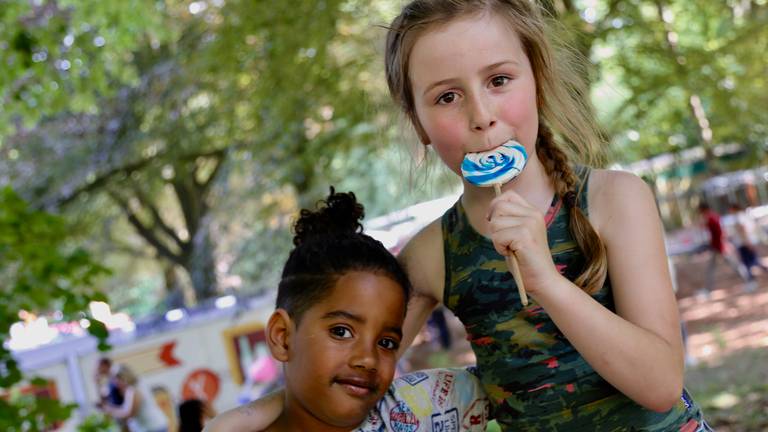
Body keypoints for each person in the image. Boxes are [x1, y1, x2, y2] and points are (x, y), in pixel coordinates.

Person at [385, 1, 710, 430]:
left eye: (499, 80)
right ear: (418, 122)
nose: (481, 116)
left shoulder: (615, 199)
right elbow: (353, 375)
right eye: (447, 96)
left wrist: (544, 281)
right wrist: (274, 408)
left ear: (537, 80)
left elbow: (661, 383)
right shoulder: (432, 254)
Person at [205, 189, 488, 431]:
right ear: (282, 336)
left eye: (387, 342)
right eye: (341, 332)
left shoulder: (420, 407)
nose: (368, 359)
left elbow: (513, 373)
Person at [698, 202, 750, 295]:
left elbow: (718, 232)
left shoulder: (710, 218)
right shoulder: (713, 216)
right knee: (713, 268)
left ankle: (749, 280)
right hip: (718, 246)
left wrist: (721, 244)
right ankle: (708, 290)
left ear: (703, 209)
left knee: (733, 265)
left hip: (719, 247)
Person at [103, 364, 169, 432]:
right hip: (152, 426)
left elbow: (128, 413)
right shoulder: (135, 386)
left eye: (115, 378)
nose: (114, 382)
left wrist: (109, 409)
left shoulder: (133, 389)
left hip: (153, 427)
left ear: (123, 376)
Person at [727, 203, 766, 291]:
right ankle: (751, 281)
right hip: (746, 243)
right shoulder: (743, 216)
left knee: (747, 263)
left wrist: (748, 243)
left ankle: (751, 282)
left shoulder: (738, 217)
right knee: (754, 262)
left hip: (744, 243)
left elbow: (743, 230)